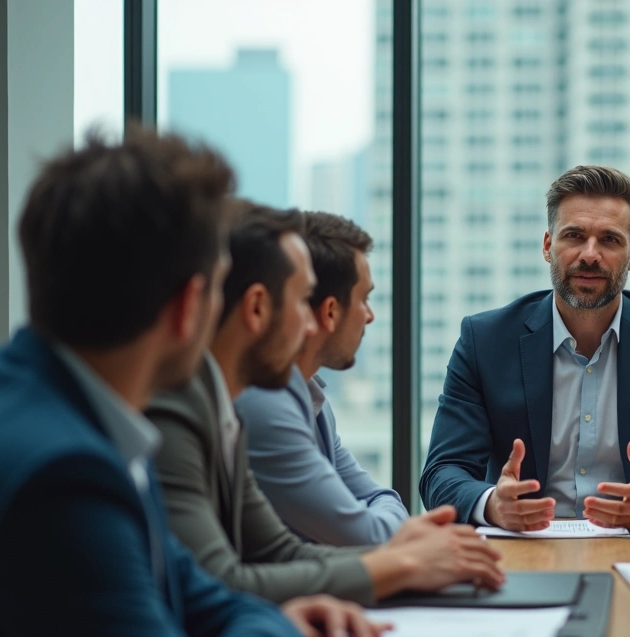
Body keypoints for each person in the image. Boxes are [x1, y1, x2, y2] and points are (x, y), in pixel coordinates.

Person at [0, 128, 382, 637]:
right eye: (218, 288)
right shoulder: (62, 475)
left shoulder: (73, 411)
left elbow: (198, 595)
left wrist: (271, 620)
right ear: (190, 306)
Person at [148, 203, 504, 606]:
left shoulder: (231, 406)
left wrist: (404, 557)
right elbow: (224, 583)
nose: (313, 324)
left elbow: (280, 553)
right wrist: (405, 563)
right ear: (257, 307)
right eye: (304, 302)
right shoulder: (205, 407)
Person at [420, 165, 630, 530]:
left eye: (610, 239)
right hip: (524, 547)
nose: (590, 254)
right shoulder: (484, 340)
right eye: (574, 236)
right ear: (548, 246)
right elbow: (442, 472)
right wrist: (492, 505)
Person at [236, 212, 406, 546]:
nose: (369, 316)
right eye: (364, 299)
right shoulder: (264, 406)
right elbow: (366, 536)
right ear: (330, 310)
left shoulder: (312, 398)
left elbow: (380, 497)